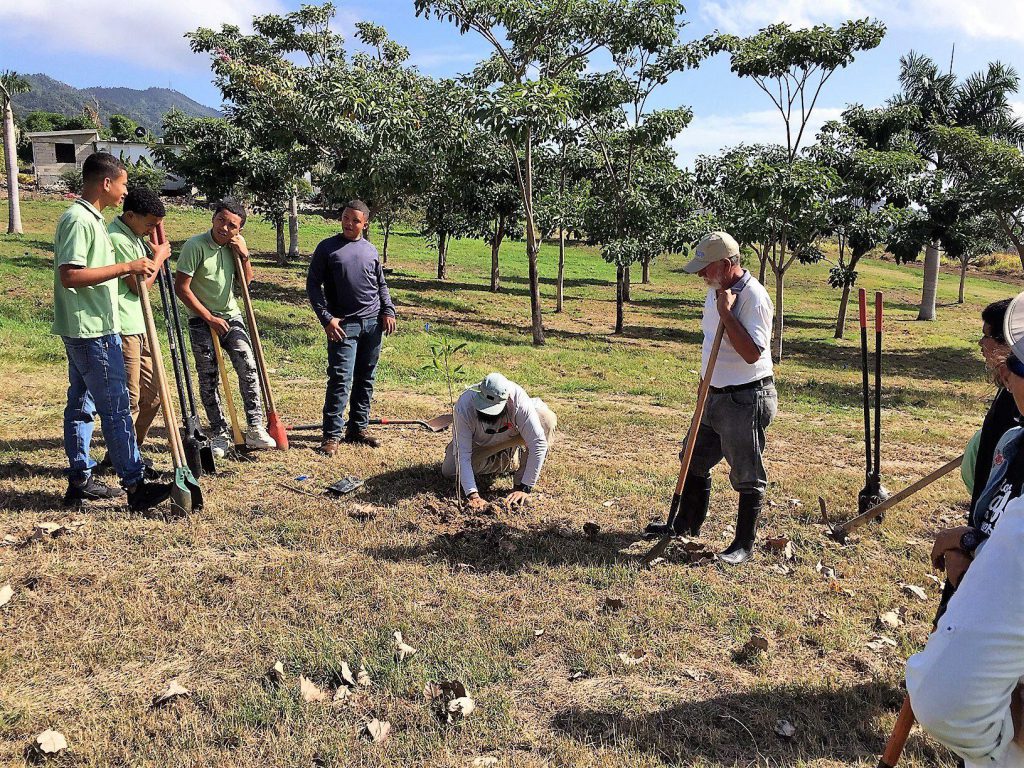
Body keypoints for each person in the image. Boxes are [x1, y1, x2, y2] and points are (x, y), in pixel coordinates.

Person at [905, 290, 1024, 768]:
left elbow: (950, 701)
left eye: (1009, 357)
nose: (1001, 366)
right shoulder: (1015, 435)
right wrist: (972, 543)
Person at [644, 231, 777, 565]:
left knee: (746, 472)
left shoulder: (753, 298)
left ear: (728, 264)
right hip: (713, 394)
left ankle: (743, 545)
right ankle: (686, 525)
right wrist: (704, 383)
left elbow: (750, 353)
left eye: (706, 267)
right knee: (693, 458)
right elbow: (709, 343)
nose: (701, 274)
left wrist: (728, 314)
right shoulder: (716, 292)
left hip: (745, 397)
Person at [52, 152, 171, 511]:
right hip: (91, 330)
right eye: (123, 183)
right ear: (106, 183)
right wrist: (126, 267)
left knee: (81, 404)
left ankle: (80, 480)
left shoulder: (93, 219)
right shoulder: (79, 219)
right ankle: (135, 487)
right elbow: (69, 275)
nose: (125, 191)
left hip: (90, 325)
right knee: (118, 407)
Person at [174, 199, 276, 457]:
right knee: (208, 377)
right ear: (213, 219)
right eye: (221, 220)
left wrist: (244, 255)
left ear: (238, 230)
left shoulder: (234, 247)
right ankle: (219, 432)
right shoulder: (194, 246)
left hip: (231, 316)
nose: (224, 227)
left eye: (232, 225)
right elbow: (181, 288)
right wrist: (208, 317)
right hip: (200, 319)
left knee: (248, 367)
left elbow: (245, 284)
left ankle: (254, 427)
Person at [306, 200, 396, 456]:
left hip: (372, 324)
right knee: (340, 380)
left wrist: (388, 310)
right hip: (342, 326)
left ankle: (358, 428)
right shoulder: (327, 248)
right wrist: (326, 318)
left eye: (355, 220)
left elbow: (381, 285)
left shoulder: (371, 250)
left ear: (365, 224)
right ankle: (331, 436)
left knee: (366, 378)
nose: (349, 223)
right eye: (346, 218)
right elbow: (313, 286)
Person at [103, 187, 170, 477]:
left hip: (141, 325)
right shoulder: (118, 238)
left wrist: (155, 257)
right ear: (130, 215)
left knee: (154, 396)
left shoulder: (135, 236)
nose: (153, 230)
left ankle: (132, 451)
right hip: (124, 328)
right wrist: (159, 258)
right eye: (150, 224)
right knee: (129, 399)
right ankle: (124, 461)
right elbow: (137, 285)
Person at [442, 372, 557, 510]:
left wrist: (524, 488)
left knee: (546, 419)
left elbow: (538, 443)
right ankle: (508, 460)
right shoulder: (464, 405)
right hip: (481, 443)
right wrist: (473, 495)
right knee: (450, 469)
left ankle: (519, 478)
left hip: (513, 435)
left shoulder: (519, 401)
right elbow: (463, 454)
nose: (487, 413)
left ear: (506, 400)